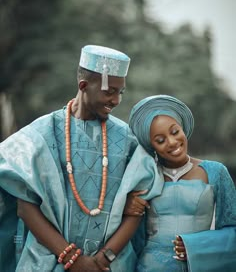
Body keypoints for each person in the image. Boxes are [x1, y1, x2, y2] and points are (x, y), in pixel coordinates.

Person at [0, 45, 145, 272]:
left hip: (111, 266)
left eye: (121, 92)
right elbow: (25, 206)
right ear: (83, 86)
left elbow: (137, 208)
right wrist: (73, 260)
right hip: (47, 262)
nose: (117, 100)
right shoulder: (40, 135)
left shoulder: (129, 140)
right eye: (110, 91)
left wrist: (102, 259)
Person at [109, 94, 236, 272]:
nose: (172, 142)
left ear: (183, 128)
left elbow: (232, 230)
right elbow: (126, 226)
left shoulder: (215, 171)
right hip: (150, 267)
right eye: (160, 140)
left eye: (175, 131)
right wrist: (125, 205)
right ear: (151, 146)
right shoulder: (144, 176)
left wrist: (195, 247)